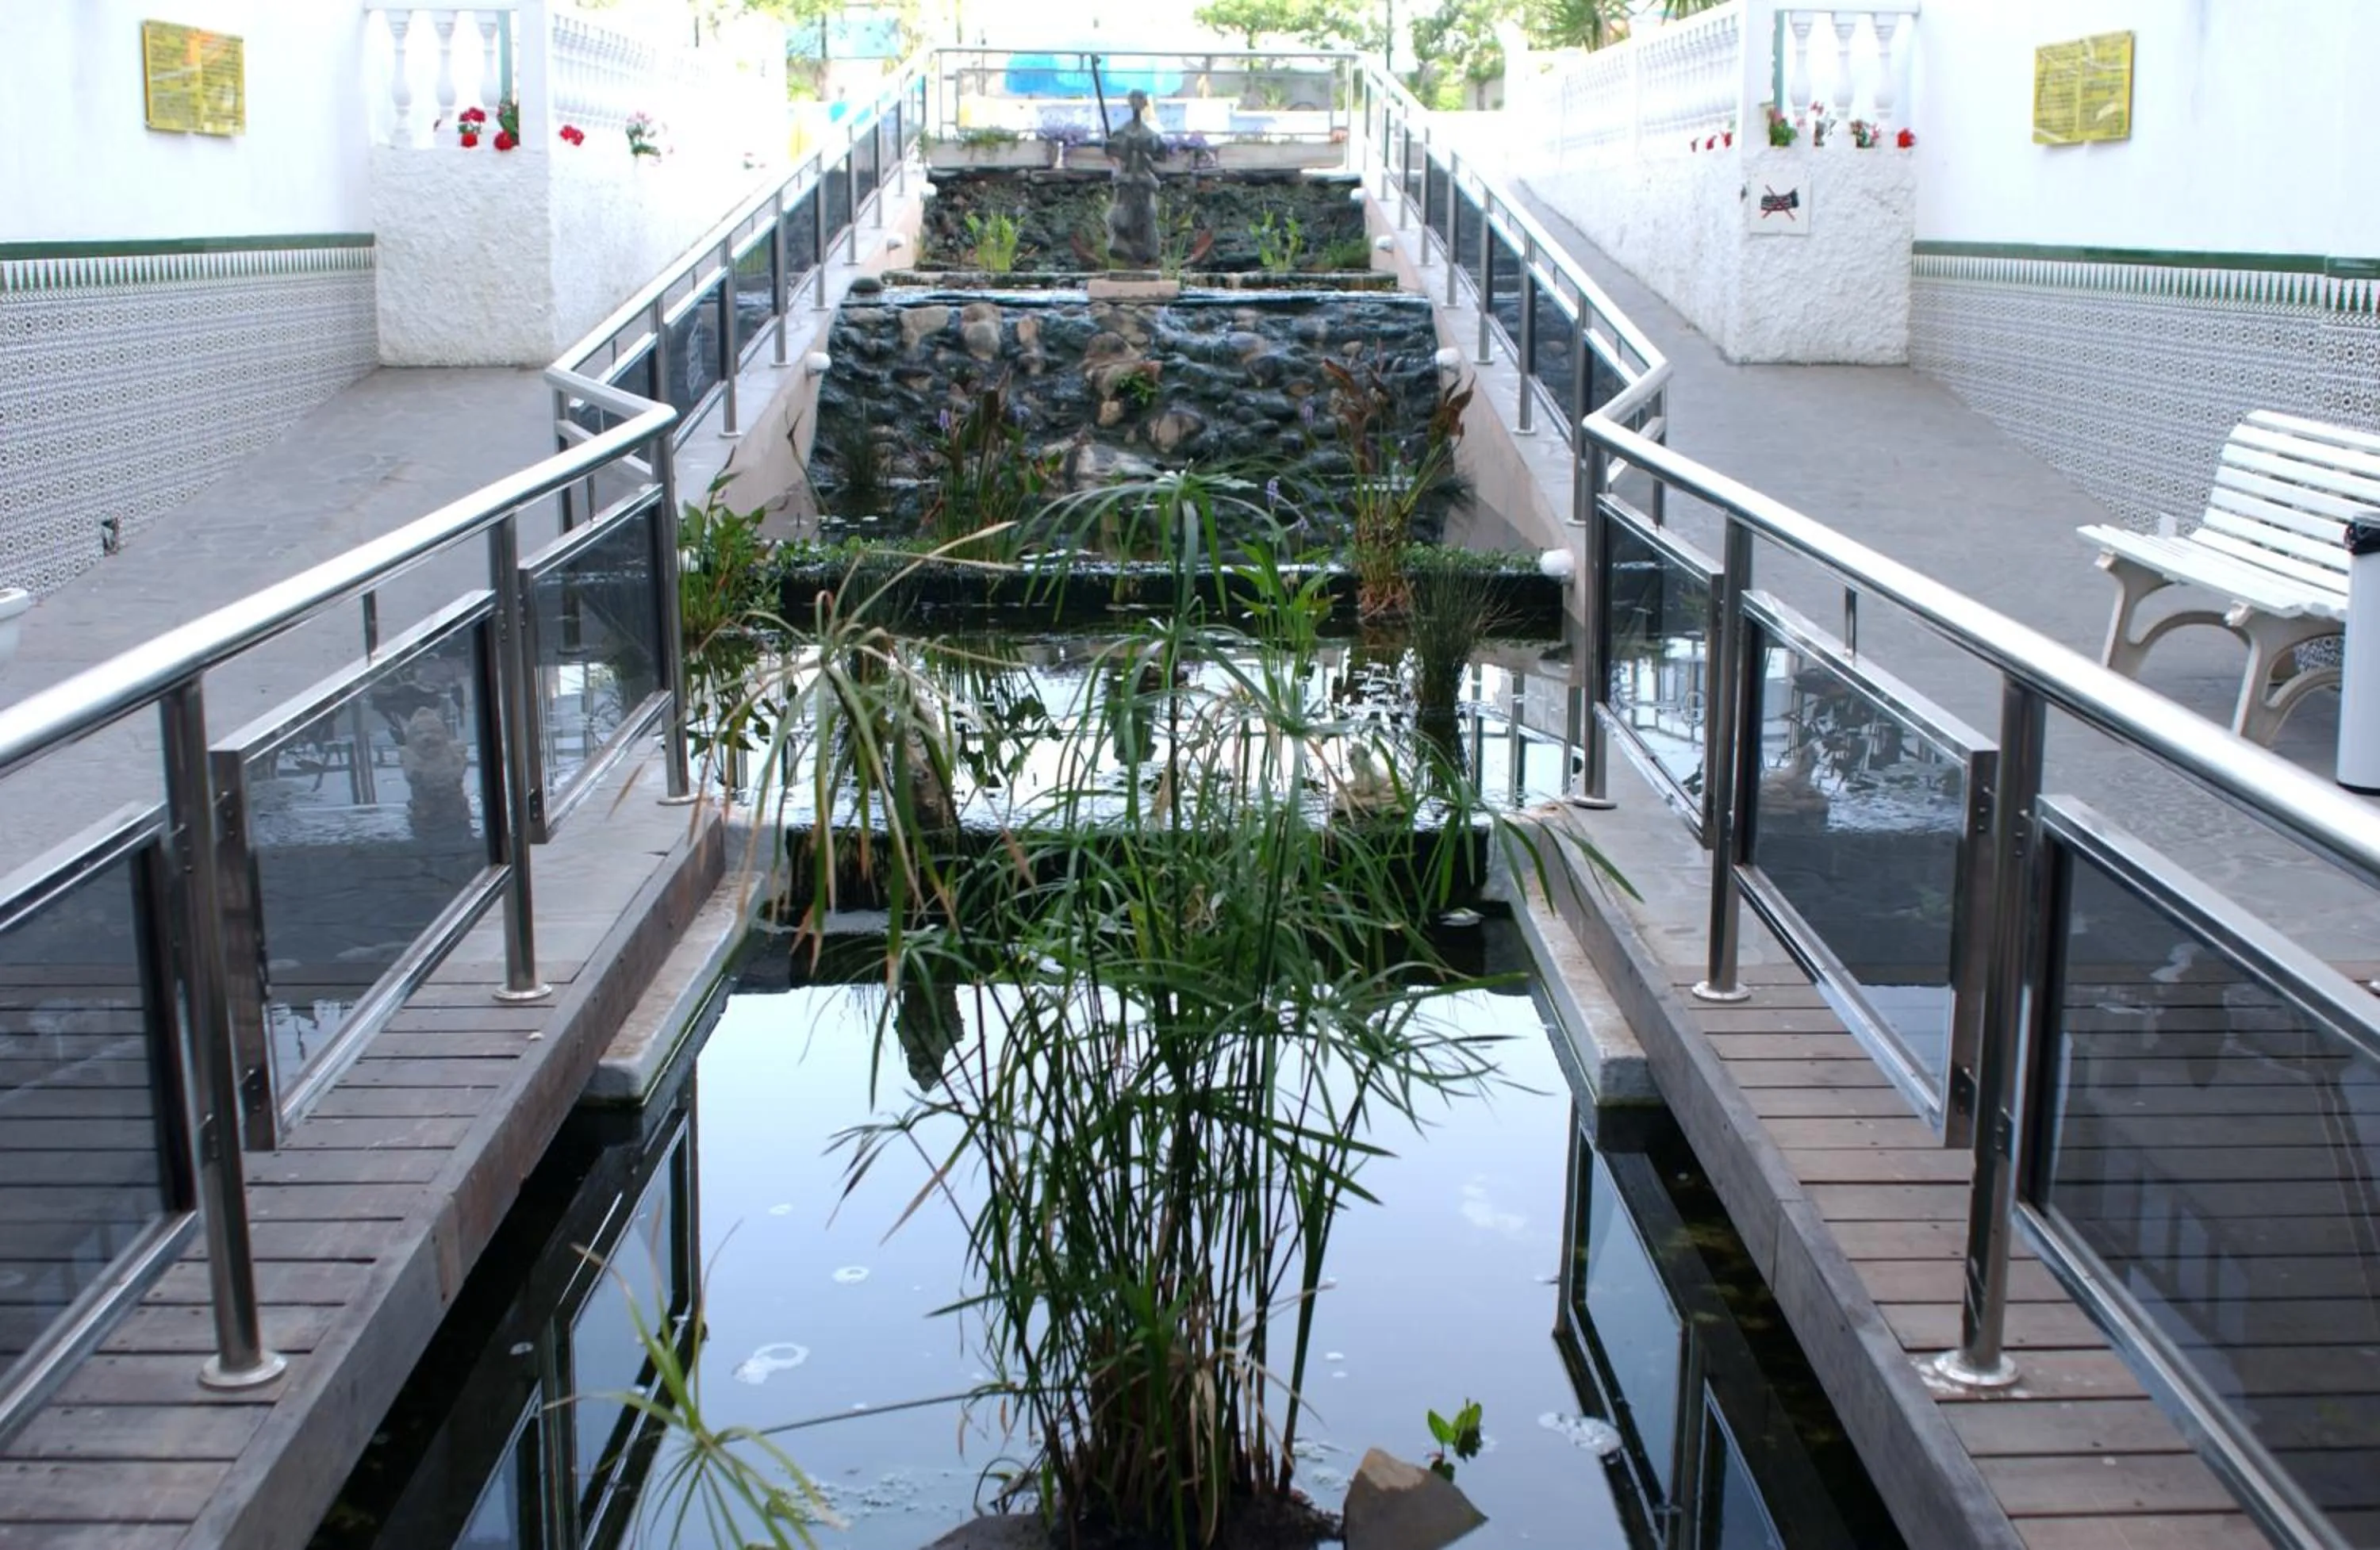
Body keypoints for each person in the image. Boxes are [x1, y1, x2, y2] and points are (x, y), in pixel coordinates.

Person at [1104, 89, 1166, 267]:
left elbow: (1160, 157)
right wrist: (1119, 174)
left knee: (1146, 219)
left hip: (1144, 184)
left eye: (1141, 99)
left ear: (1145, 103)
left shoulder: (1151, 135)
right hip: (1126, 184)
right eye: (1134, 99)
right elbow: (1112, 154)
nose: (1137, 103)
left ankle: (1145, 255)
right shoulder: (1121, 132)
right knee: (1123, 219)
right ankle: (1125, 252)